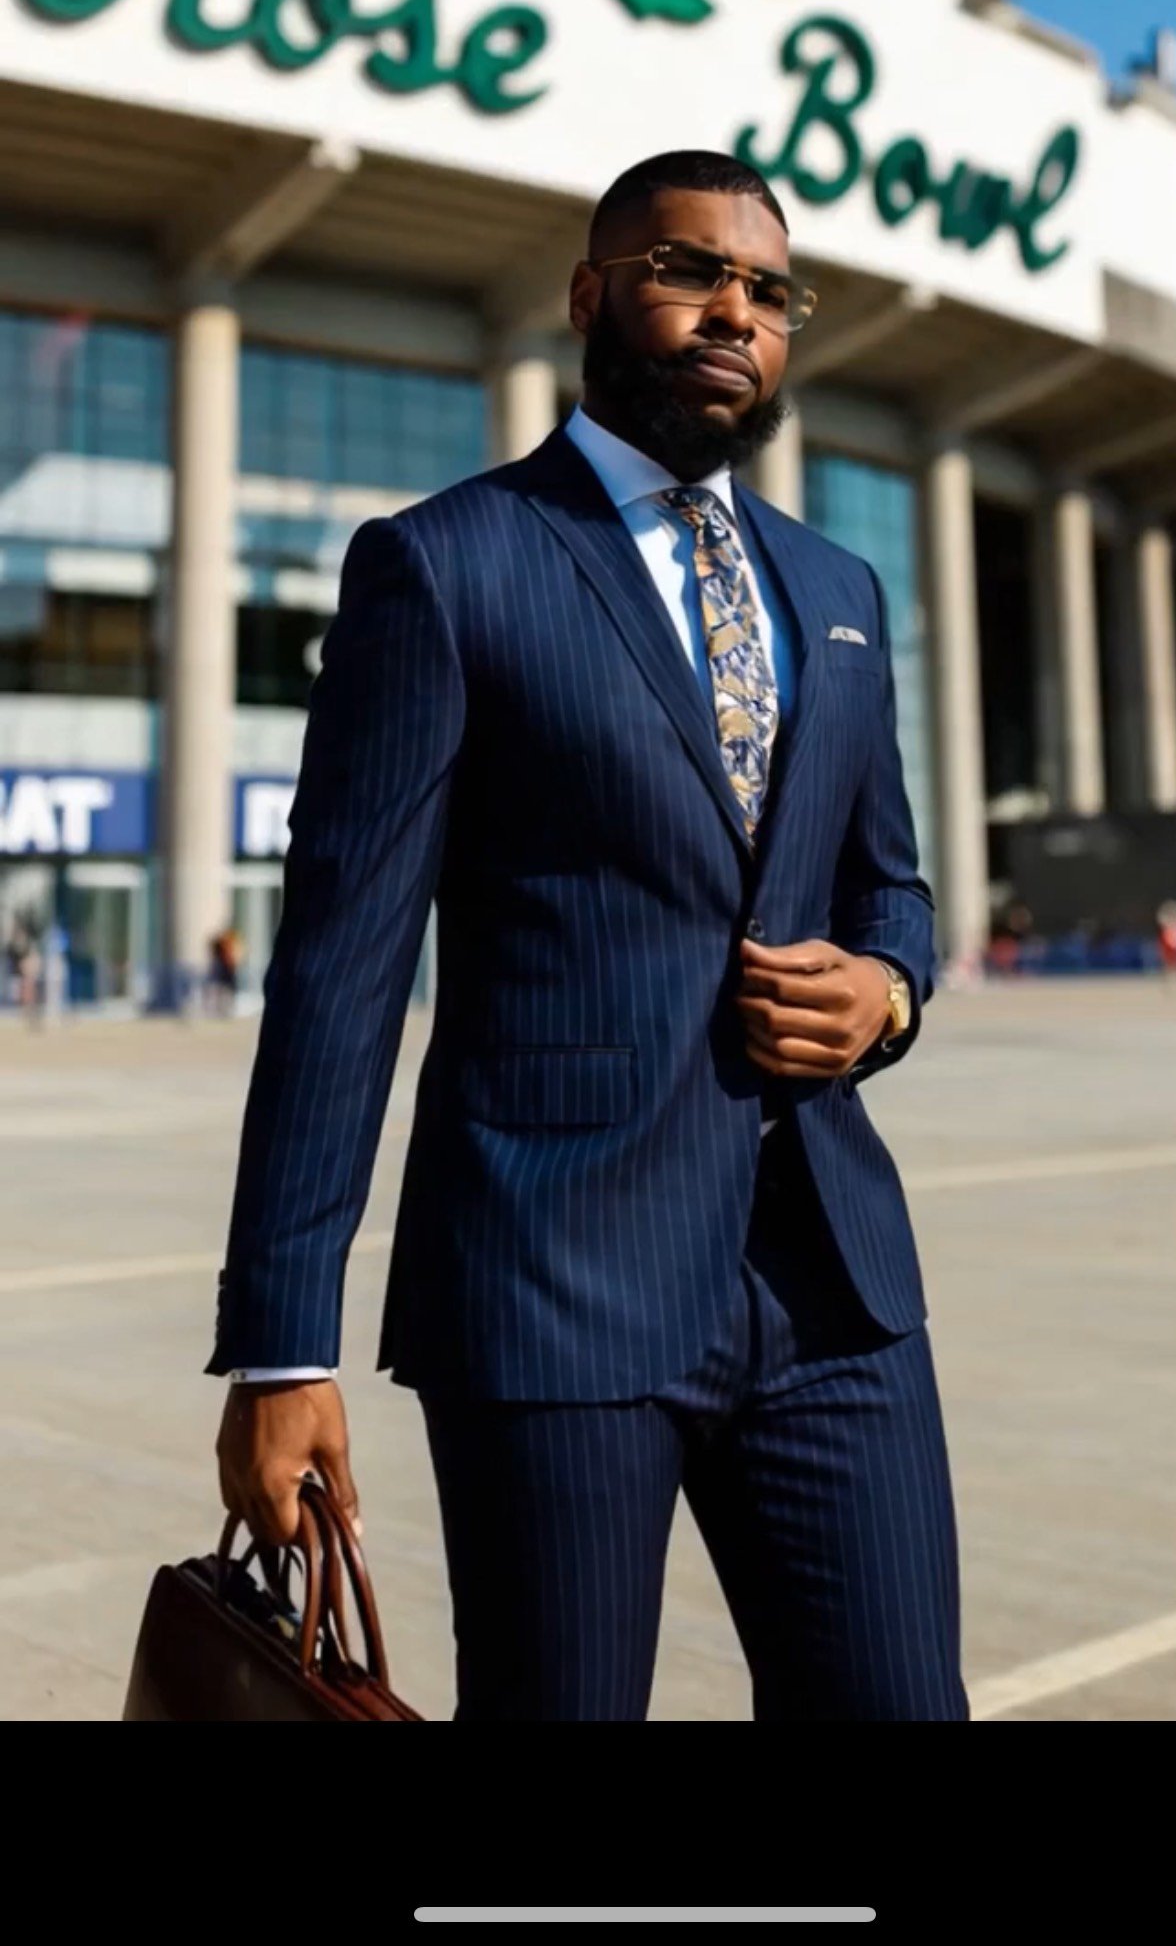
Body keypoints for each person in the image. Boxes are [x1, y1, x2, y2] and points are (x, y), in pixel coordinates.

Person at [212, 149, 968, 1723]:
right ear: (590, 295)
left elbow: (887, 886)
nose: (732, 315)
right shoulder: (447, 563)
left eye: (766, 291)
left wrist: (886, 991)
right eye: (689, 271)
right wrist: (283, 1345)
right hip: (553, 1282)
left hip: (830, 1292)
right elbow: (341, 973)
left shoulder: (835, 590)